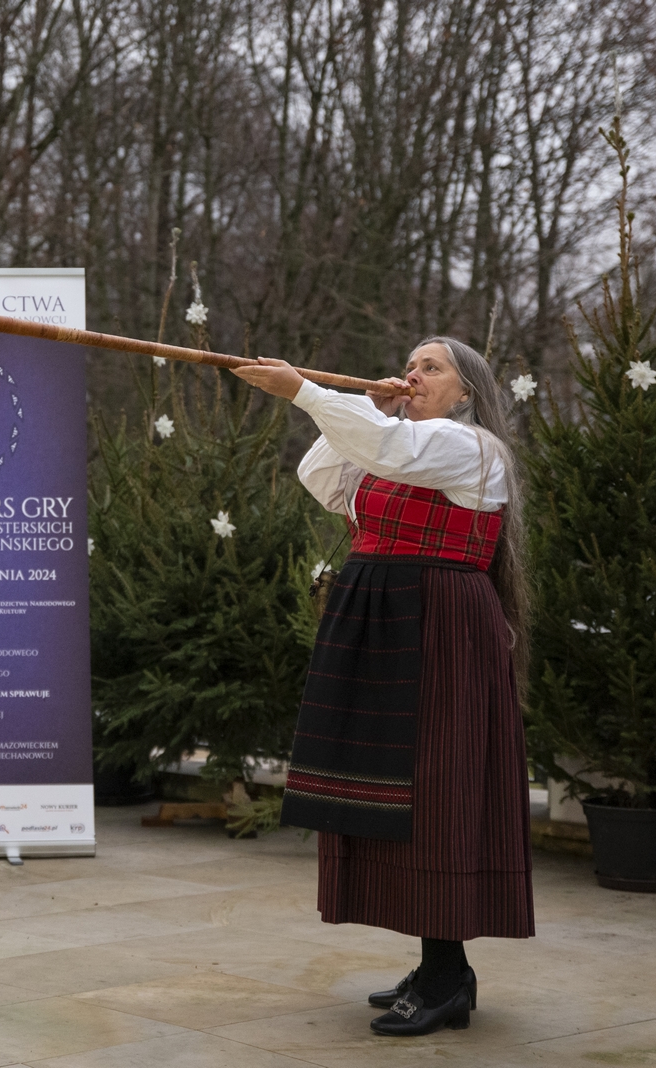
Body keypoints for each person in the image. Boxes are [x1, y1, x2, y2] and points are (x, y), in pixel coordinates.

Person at [231, 339, 533, 1038]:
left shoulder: (472, 448)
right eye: (411, 365)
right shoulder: (398, 445)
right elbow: (321, 475)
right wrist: (365, 408)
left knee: (434, 787)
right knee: (384, 787)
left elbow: (392, 451)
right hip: (384, 620)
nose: (413, 375)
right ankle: (439, 968)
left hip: (440, 625)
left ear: (466, 392)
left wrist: (305, 391)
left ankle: (446, 976)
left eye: (431, 368)